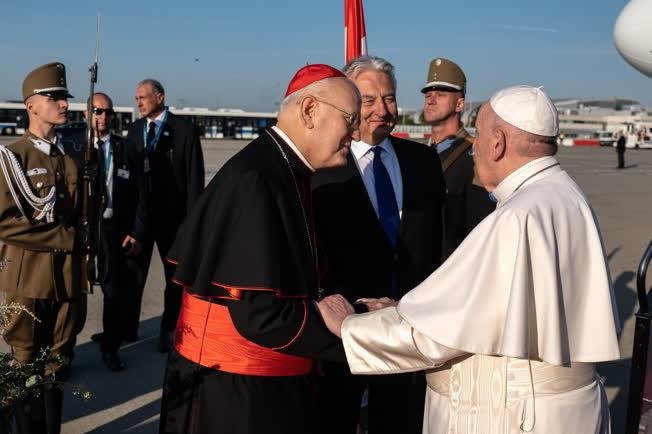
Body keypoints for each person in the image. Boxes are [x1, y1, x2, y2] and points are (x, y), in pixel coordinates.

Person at [318, 85, 621, 434]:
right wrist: (400, 307)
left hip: (514, 414)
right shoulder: (565, 195)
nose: (473, 146)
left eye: (478, 135)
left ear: (498, 143)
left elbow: (437, 335)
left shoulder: (516, 218)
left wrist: (351, 327)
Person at [158, 64, 360, 434]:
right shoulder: (257, 178)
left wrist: (356, 308)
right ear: (311, 110)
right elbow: (262, 317)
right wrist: (359, 334)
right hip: (237, 396)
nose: (356, 131)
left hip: (262, 389)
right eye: (351, 118)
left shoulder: (286, 170)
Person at [312, 55, 445, 434]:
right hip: (343, 330)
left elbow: (437, 244)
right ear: (350, 104)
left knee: (400, 421)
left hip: (407, 329)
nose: (381, 110)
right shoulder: (323, 169)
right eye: (368, 100)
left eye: (389, 98)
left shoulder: (423, 161)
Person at [0, 62, 87, 434]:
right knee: (24, 362)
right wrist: (65, 238)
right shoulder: (13, 158)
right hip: (27, 280)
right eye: (54, 97)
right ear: (31, 104)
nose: (64, 104)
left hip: (68, 280)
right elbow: (5, 222)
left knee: (58, 362)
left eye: (64, 97)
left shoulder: (71, 157)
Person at [62, 92, 147, 371]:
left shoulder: (126, 148)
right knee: (74, 291)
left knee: (114, 292)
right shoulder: (73, 148)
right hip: (83, 228)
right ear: (87, 114)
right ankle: (66, 352)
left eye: (108, 112)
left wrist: (136, 231)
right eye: (97, 111)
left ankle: (111, 347)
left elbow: (140, 194)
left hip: (114, 229)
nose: (103, 117)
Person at [125, 79, 204, 352]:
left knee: (174, 278)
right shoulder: (135, 131)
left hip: (174, 220)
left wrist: (193, 224)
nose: (139, 102)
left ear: (159, 97)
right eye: (136, 98)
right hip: (141, 219)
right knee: (133, 276)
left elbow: (195, 180)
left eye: (143, 97)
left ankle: (168, 330)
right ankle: (127, 329)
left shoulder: (184, 130)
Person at [422, 57, 495, 259]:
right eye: (428, 93)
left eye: (441, 94)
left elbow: (480, 226)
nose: (431, 99)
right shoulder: (422, 154)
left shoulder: (476, 156)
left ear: (460, 104)